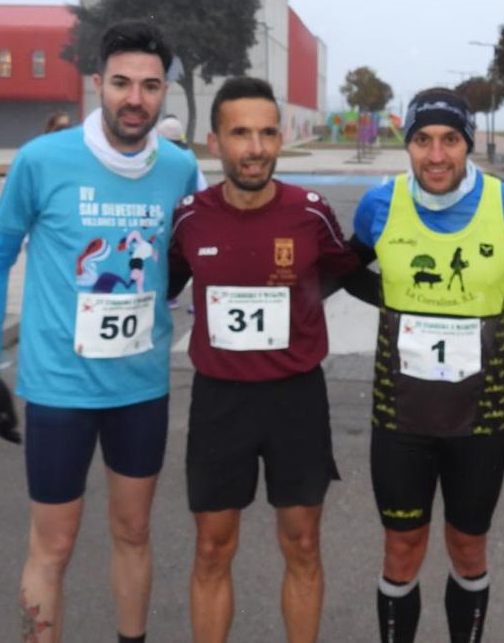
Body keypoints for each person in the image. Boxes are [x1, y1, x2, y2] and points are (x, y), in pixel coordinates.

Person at [0, 20, 202, 643]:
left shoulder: (180, 169)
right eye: (123, 83)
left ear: (164, 91)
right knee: (54, 545)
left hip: (140, 389)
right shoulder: (43, 160)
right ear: (99, 84)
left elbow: (191, 261)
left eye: (151, 86)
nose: (136, 99)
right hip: (58, 391)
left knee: (133, 533)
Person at [346, 87, 504, 643]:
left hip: (477, 422)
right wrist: (400, 300)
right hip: (400, 419)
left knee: (467, 547)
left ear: (468, 144)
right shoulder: (380, 205)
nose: (436, 156)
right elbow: (341, 269)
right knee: (401, 547)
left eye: (450, 140)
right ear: (407, 145)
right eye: (422, 140)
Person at [168, 77, 360, 643]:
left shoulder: (310, 211)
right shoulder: (189, 216)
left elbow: (341, 272)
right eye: (241, 133)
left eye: (267, 133)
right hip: (219, 401)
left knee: (302, 545)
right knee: (211, 549)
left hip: (294, 399)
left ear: (280, 138)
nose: (256, 148)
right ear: (214, 142)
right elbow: (164, 284)